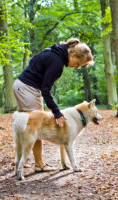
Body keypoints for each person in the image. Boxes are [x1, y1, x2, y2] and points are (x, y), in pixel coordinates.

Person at [13, 38, 94, 172]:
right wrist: (57, 112)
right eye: (78, 63)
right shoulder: (57, 62)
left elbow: (33, 61)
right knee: (35, 125)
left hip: (23, 86)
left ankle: (20, 160)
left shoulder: (54, 51)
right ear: (73, 55)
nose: (77, 67)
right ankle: (38, 164)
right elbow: (46, 90)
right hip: (28, 89)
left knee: (26, 126)